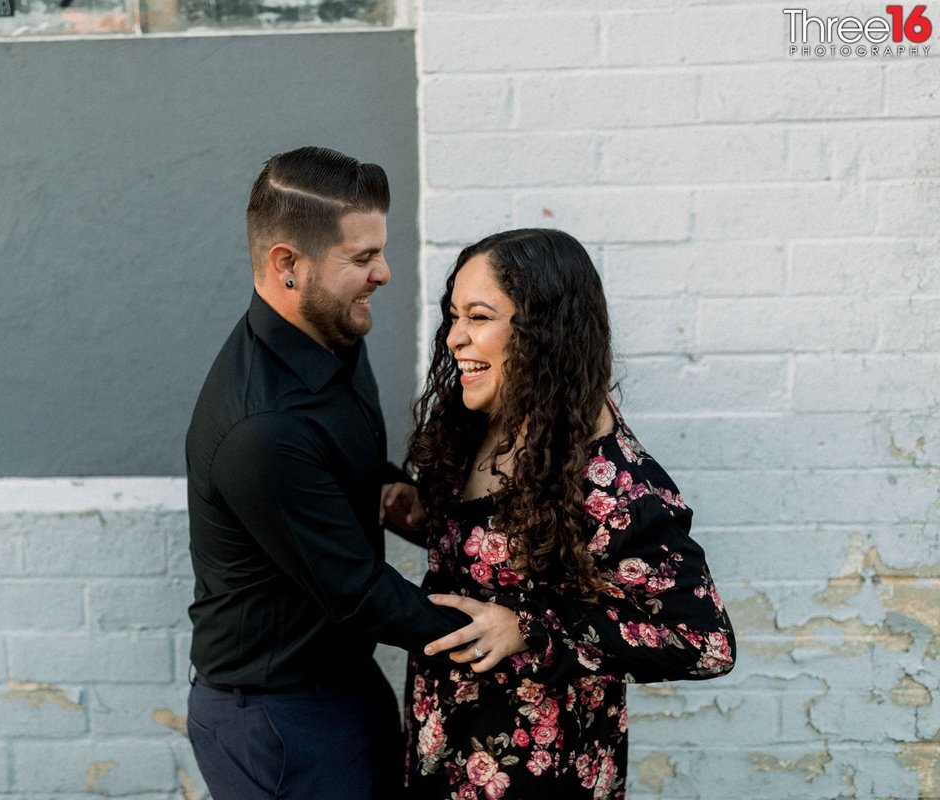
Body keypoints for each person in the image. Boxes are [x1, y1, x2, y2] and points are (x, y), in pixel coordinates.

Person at [401, 229, 736, 799]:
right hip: (444, 755)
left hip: (544, 778)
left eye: (478, 317)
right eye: (453, 315)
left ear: (542, 333)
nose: (456, 337)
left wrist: (531, 631)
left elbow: (706, 642)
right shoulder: (476, 425)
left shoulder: (613, 481)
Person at [184, 146, 469, 800]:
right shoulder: (263, 427)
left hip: (342, 680)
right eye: (363, 258)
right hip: (280, 721)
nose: (386, 274)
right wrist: (513, 627)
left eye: (381, 252)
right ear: (288, 265)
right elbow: (359, 593)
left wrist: (390, 490)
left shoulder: (335, 332)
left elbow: (347, 466)